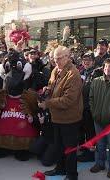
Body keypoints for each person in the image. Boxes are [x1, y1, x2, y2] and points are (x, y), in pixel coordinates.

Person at [39, 46, 83, 180]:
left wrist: (48, 103)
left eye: (59, 58)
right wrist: (47, 89)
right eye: (54, 58)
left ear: (68, 57)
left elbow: (68, 100)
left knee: (69, 149)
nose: (56, 61)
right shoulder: (55, 70)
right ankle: (60, 169)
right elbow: (53, 86)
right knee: (58, 146)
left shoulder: (73, 74)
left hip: (69, 118)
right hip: (56, 117)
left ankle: (71, 174)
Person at [89, 58, 110, 178]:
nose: (108, 69)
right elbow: (91, 98)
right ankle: (99, 163)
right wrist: (94, 112)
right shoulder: (96, 81)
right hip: (98, 120)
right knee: (100, 144)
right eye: (106, 66)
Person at [77, 52, 95, 162]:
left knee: (90, 132)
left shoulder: (96, 73)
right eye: (84, 60)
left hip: (90, 108)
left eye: (88, 59)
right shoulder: (81, 71)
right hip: (80, 107)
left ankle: (90, 154)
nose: (86, 62)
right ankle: (84, 149)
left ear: (93, 61)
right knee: (82, 130)